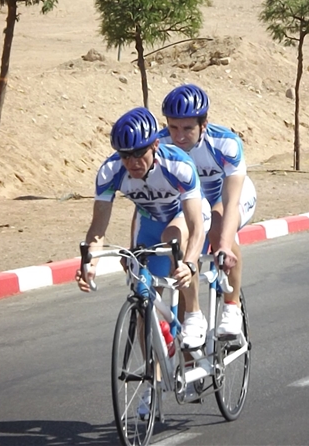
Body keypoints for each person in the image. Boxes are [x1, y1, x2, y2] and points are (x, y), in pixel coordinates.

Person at [76, 106, 211, 349]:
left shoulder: (178, 165)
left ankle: (193, 313)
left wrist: (190, 264)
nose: (132, 162)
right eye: (125, 155)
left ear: (155, 145)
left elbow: (196, 226)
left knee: (172, 237)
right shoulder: (110, 172)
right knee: (142, 292)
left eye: (139, 153)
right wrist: (89, 265)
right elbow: (97, 229)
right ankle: (155, 381)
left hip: (185, 214)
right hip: (148, 220)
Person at [159, 84, 257, 337]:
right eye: (174, 127)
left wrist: (223, 244)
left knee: (217, 226)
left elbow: (231, 200)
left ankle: (232, 307)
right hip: (196, 202)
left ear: (204, 124)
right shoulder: (161, 146)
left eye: (188, 128)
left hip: (231, 195)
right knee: (180, 257)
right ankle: (190, 352)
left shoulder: (225, 144)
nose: (179, 136)